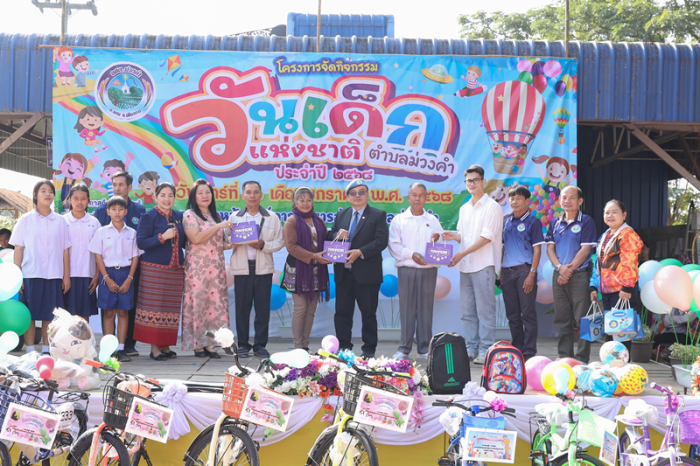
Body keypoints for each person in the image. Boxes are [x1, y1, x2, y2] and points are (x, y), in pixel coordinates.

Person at [444, 165, 503, 365]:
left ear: (483, 182)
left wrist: (462, 253)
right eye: (468, 180)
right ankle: (470, 348)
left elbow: (486, 238)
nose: (472, 184)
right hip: (466, 266)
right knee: (467, 311)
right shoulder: (464, 208)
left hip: (484, 265)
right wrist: (452, 236)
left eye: (475, 180)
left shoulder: (492, 207)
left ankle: (486, 349)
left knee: (485, 311)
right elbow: (465, 236)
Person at [329, 179, 389, 358]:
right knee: (342, 314)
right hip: (343, 274)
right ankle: (344, 348)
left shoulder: (378, 214)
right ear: (347, 197)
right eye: (353, 193)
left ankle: (369, 350)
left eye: (361, 192)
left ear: (367, 194)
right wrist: (337, 235)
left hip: (367, 275)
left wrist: (360, 252)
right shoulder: (342, 215)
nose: (357, 196)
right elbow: (330, 235)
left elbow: (381, 241)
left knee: (368, 314)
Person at [10, 181, 71, 354]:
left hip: (54, 274)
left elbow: (66, 250)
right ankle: (30, 350)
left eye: (50, 191)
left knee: (49, 314)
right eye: (43, 191)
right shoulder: (25, 219)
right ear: (35, 195)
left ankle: (46, 348)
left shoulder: (60, 221)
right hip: (31, 273)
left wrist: (66, 276)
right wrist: (18, 275)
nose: (48, 194)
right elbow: (19, 248)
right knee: (29, 314)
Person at [93, 170, 145, 357]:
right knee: (108, 310)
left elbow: (142, 242)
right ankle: (109, 347)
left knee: (127, 309)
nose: (117, 188)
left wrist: (131, 275)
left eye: (121, 184)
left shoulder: (139, 211)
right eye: (114, 184)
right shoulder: (100, 211)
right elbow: (97, 249)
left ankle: (127, 346)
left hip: (131, 270)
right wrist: (101, 274)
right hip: (106, 271)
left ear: (129, 187)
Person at [388, 183, 442, 360]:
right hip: (407, 270)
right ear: (408, 197)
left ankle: (425, 348)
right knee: (406, 308)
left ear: (426, 198)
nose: (417, 198)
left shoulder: (433, 221)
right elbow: (393, 246)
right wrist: (412, 255)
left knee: (426, 308)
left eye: (421, 195)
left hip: (428, 271)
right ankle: (404, 347)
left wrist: (437, 238)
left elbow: (441, 248)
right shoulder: (399, 220)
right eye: (414, 195)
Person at [230, 181, 284, 358]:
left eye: (256, 192)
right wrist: (232, 243)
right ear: (242, 196)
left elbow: (280, 242)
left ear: (261, 195)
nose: (252, 195)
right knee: (242, 309)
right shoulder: (234, 218)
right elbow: (223, 241)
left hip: (263, 270)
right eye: (248, 192)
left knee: (262, 309)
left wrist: (263, 245)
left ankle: (260, 345)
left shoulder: (272, 217)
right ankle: (243, 345)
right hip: (242, 269)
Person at [182, 180, 234, 358]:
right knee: (199, 303)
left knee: (214, 306)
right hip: (197, 268)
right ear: (194, 196)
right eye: (200, 193)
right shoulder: (190, 215)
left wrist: (235, 241)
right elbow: (195, 239)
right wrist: (218, 226)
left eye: (208, 192)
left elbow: (222, 243)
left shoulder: (216, 216)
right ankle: (198, 344)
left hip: (216, 268)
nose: (205, 196)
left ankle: (210, 343)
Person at [134, 183, 186, 361]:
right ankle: (154, 348)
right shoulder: (149, 216)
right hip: (154, 270)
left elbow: (186, 242)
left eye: (170, 195)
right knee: (154, 309)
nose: (167, 199)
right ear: (156, 196)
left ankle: (165, 346)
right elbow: (141, 243)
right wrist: (162, 237)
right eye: (163, 195)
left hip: (175, 270)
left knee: (169, 310)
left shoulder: (179, 216)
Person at [545, 185, 597, 362]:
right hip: (559, 274)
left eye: (571, 197)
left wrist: (568, 269)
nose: (567, 201)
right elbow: (550, 249)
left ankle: (582, 358)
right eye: (564, 197)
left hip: (580, 275)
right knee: (562, 318)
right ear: (559, 200)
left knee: (582, 318)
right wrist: (560, 268)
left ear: (580, 201)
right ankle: (564, 357)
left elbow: (585, 249)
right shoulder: (555, 223)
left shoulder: (586, 221)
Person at [282, 187, 332, 351]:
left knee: (311, 309)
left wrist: (341, 236)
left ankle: (305, 345)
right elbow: (291, 247)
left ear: (313, 202)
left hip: (316, 270)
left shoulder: (319, 221)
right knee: (301, 308)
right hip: (298, 270)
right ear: (295, 202)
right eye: (301, 200)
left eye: (308, 200)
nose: (305, 203)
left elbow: (327, 242)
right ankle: (297, 346)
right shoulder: (292, 221)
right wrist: (313, 256)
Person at [501, 185, 544, 360]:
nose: (514, 201)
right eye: (511, 198)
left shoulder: (533, 222)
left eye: (518, 198)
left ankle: (529, 351)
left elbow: (537, 250)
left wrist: (532, 274)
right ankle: (517, 348)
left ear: (527, 201)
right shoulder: (506, 221)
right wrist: (500, 272)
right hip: (507, 273)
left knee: (527, 313)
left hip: (524, 271)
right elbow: (503, 247)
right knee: (512, 313)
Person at [589, 200, 643, 309]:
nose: (610, 215)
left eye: (614, 212)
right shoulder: (605, 235)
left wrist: (627, 288)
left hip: (621, 291)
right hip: (606, 292)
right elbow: (598, 262)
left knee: (621, 325)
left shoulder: (627, 235)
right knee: (610, 325)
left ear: (624, 214)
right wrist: (594, 286)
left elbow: (630, 263)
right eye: (607, 212)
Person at [64, 184, 101, 319]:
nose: (79, 202)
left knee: (85, 315)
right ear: (69, 199)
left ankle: (84, 341)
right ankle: (69, 341)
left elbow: (99, 252)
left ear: (88, 200)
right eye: (76, 198)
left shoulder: (95, 223)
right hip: (67, 276)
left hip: (88, 274)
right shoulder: (62, 221)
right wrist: (65, 277)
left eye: (83, 199)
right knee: (68, 316)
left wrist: (96, 276)